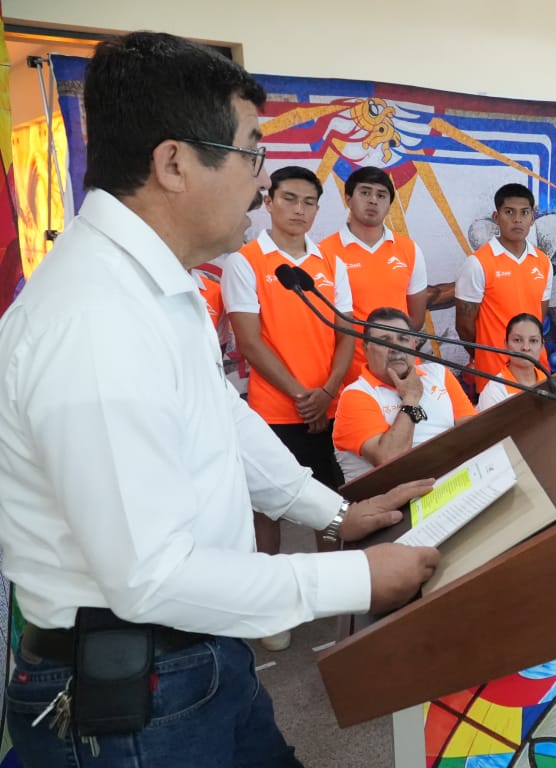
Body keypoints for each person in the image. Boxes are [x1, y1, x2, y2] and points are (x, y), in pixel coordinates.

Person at [0, 32, 439, 767]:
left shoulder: (156, 287)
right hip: (132, 693)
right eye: (251, 154)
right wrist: (357, 575)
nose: (261, 184)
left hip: (200, 649)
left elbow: (222, 419)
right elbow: (150, 576)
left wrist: (334, 513)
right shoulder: (94, 320)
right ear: (174, 163)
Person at [224, 164, 354, 653]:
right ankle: (268, 610)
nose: (299, 211)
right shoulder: (247, 260)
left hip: (327, 403)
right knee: (267, 513)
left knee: (332, 505)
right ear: (270, 202)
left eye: (309, 202)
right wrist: (303, 394)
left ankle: (333, 600)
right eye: (290, 199)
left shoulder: (329, 262)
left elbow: (345, 332)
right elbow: (250, 341)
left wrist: (328, 390)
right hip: (275, 410)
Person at [333, 308, 475, 480]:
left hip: (454, 477)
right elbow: (390, 460)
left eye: (403, 339)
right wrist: (411, 399)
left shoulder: (438, 373)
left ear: (414, 345)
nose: (396, 347)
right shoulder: (355, 396)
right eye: (384, 341)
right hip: (399, 500)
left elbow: (473, 432)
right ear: (366, 349)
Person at [319, 167, 429, 383]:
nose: (373, 201)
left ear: (389, 204)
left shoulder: (409, 249)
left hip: (402, 375)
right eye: (365, 193)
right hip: (348, 377)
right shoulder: (324, 252)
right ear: (348, 199)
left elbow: (415, 320)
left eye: (381, 195)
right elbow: (323, 324)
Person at [455, 183, 553, 387]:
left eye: (524, 213)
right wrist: (486, 357)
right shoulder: (478, 263)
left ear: (532, 218)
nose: (517, 219)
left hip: (536, 372)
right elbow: (464, 326)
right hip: (494, 376)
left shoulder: (543, 262)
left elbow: (538, 317)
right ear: (496, 217)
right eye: (509, 212)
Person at [477, 313, 549, 410]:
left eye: (533, 341)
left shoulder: (549, 382)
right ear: (506, 344)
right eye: (517, 340)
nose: (526, 347)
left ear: (542, 345)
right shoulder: (494, 391)